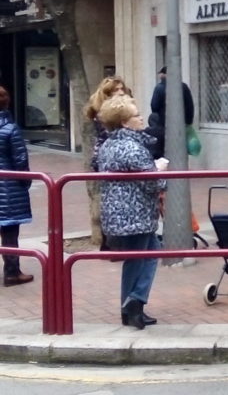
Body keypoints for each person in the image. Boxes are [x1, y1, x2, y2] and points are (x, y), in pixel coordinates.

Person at [96, 95, 167, 328]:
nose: (141, 119)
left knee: (140, 257)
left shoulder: (108, 145)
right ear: (125, 122)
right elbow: (153, 183)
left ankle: (130, 307)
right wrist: (160, 169)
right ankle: (134, 303)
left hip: (119, 214)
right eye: (136, 115)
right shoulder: (132, 148)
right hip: (135, 214)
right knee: (142, 257)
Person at [83, 76, 133, 250]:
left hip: (108, 156)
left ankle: (112, 243)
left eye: (121, 89)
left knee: (115, 199)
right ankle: (110, 243)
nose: (120, 92)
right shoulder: (105, 113)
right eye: (115, 90)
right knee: (112, 200)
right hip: (108, 157)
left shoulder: (118, 109)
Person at [0, 86, 32, 287]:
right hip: (8, 190)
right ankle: (12, 272)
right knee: (10, 233)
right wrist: (24, 182)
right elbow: (21, 161)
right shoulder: (11, 129)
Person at [149, 66, 195, 156]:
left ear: (163, 75)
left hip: (164, 124)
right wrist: (188, 122)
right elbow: (190, 106)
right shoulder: (184, 87)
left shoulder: (159, 88)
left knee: (165, 149)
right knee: (181, 149)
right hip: (181, 125)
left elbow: (154, 106)